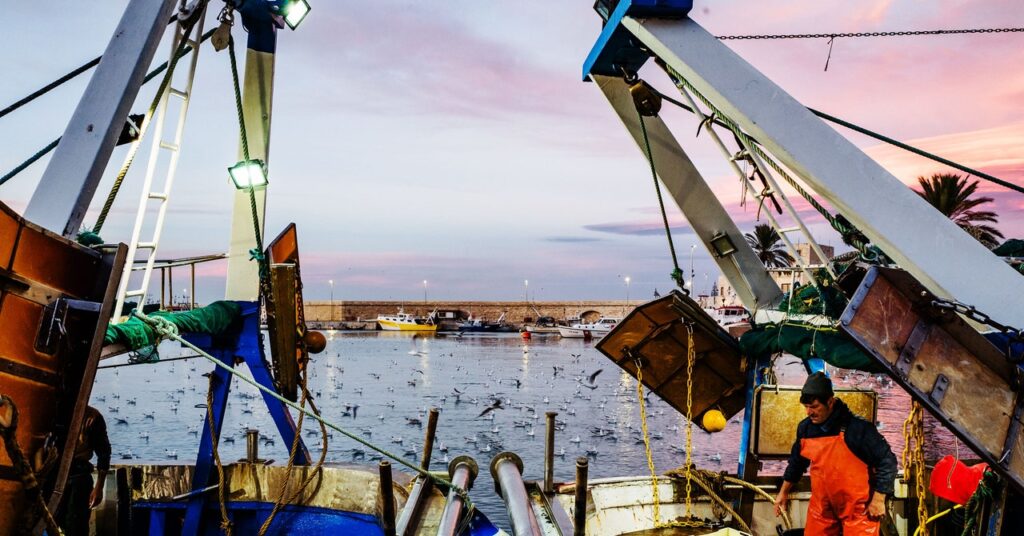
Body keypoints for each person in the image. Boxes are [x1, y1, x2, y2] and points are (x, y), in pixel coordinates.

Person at [774, 372, 897, 536]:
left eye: (814, 407)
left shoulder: (858, 429)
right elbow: (797, 463)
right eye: (806, 407)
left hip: (858, 511)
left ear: (830, 402)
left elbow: (888, 462)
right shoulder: (805, 428)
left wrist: (879, 499)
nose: (808, 412)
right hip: (821, 509)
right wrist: (783, 493)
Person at [57, 405, 111, 536]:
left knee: (76, 527)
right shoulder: (51, 410)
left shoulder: (92, 417)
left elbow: (104, 453)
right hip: (52, 474)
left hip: (78, 478)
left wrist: (98, 487)